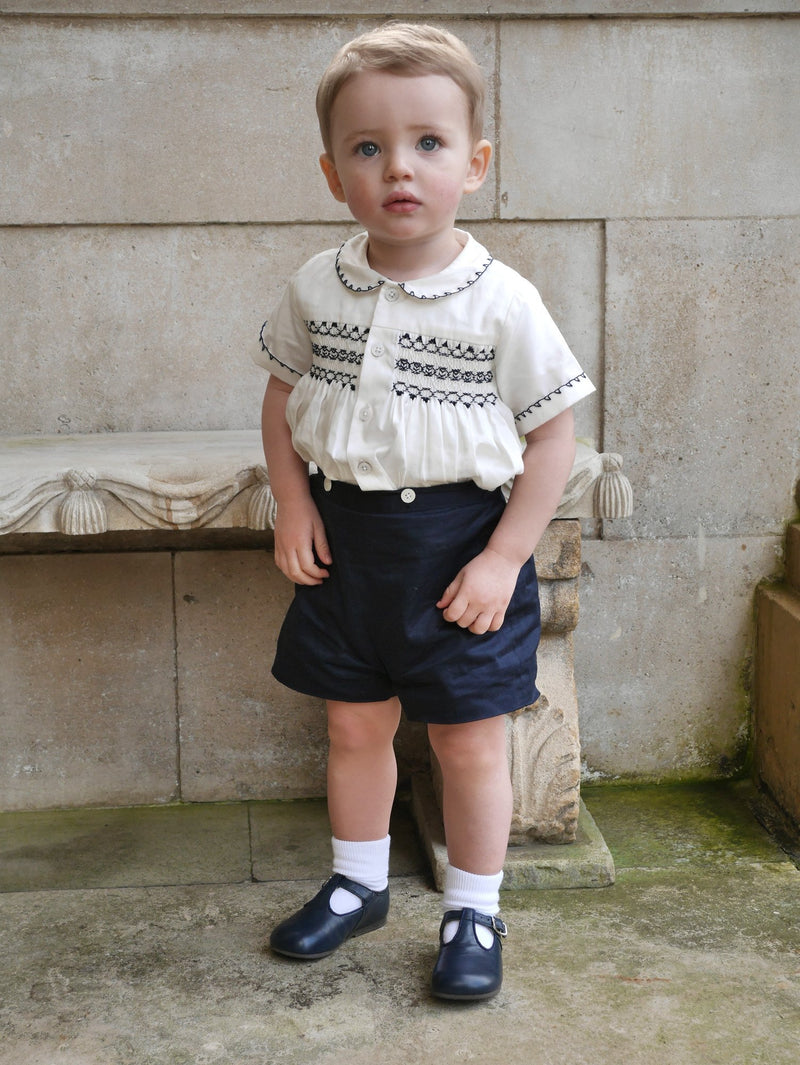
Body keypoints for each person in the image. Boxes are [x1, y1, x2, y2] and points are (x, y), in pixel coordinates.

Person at [255, 22, 594, 1001]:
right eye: (368, 147)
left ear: (474, 164)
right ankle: (357, 884)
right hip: (345, 548)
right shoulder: (317, 287)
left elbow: (551, 440)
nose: (397, 167)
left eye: (428, 143)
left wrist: (501, 560)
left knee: (466, 741)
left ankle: (473, 909)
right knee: (354, 729)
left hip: (458, 551)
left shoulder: (501, 302)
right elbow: (281, 401)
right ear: (333, 174)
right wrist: (290, 504)